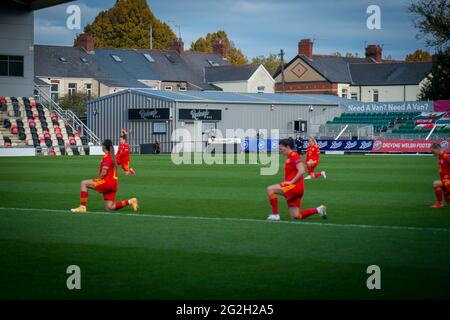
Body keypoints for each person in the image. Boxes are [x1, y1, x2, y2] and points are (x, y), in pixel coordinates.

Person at [266, 138, 327, 221]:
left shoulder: (294, 155)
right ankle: (318, 210)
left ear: (287, 146)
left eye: (281, 148)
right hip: (296, 189)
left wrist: (291, 182)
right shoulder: (290, 157)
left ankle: (275, 214)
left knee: (270, 189)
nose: (280, 150)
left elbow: (301, 170)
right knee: (296, 216)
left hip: (294, 187)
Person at [70, 139, 138, 213]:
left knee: (84, 183)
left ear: (104, 147)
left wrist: (98, 179)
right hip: (113, 185)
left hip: (107, 183)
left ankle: (82, 207)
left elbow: (104, 172)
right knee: (110, 207)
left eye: (102, 145)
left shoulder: (107, 157)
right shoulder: (112, 156)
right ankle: (131, 201)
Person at [431, 143, 450, 208]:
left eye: (433, 151)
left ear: (438, 149)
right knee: (448, 201)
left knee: (435, 184)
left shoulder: (446, 156)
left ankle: (439, 203)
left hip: (448, 180)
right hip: (445, 180)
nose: (433, 153)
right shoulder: (440, 156)